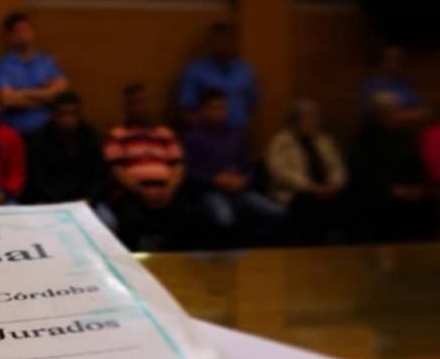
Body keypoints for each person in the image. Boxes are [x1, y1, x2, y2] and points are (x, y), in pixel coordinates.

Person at [100, 84, 197, 250]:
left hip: (166, 192)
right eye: (134, 103)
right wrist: (141, 191)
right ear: (126, 107)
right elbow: (117, 170)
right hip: (132, 193)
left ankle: (172, 260)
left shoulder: (165, 134)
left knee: (190, 215)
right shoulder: (117, 135)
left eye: (142, 102)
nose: (138, 107)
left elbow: (178, 165)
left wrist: (169, 189)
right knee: (130, 218)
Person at [183, 88, 284, 244]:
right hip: (209, 192)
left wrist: (243, 180)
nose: (218, 112)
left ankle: (257, 253)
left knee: (275, 212)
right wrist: (214, 179)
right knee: (225, 217)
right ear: (202, 110)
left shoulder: (236, 135)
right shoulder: (192, 137)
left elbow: (248, 166)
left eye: (222, 108)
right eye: (213, 108)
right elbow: (188, 172)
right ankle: (227, 258)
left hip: (239, 191)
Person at [348, 91, 439, 241]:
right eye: (390, 112)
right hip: (381, 192)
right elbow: (363, 170)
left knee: (431, 205)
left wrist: (417, 187)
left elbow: (416, 163)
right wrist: (392, 188)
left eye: (395, 111)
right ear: (378, 114)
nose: (395, 115)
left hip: (408, 190)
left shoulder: (404, 135)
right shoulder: (366, 136)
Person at [266, 99, 348, 243]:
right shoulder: (281, 142)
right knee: (310, 206)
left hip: (327, 189)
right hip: (297, 193)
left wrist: (334, 185)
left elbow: (336, 166)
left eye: (315, 118)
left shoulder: (324, 141)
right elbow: (279, 173)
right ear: (295, 121)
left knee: (347, 201)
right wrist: (310, 187)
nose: (313, 122)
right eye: (308, 118)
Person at [24, 91, 106, 204]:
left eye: (73, 114)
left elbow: (98, 177)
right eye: (63, 114)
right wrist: (59, 201)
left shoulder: (91, 137)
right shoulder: (39, 140)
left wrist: (89, 199)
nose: (68, 120)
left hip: (86, 201)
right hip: (49, 200)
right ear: (53, 116)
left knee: (106, 216)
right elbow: (37, 180)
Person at [0, 12, 69, 134]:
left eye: (26, 30)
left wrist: (22, 93)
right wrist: (45, 96)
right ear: (9, 36)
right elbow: (7, 100)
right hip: (16, 131)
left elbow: (60, 92)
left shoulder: (46, 61)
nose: (24, 35)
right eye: (18, 31)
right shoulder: (3, 65)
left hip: (47, 131)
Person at [177, 23, 258, 131]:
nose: (222, 45)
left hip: (239, 133)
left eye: (227, 41)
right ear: (211, 43)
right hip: (207, 134)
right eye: (219, 41)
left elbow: (252, 103)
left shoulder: (244, 70)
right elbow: (186, 108)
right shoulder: (195, 71)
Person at [358, 45, 424, 123]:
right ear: (382, 62)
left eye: (399, 60)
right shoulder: (371, 85)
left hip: (408, 127)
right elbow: (386, 118)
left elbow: (424, 111)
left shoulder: (405, 84)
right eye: (390, 60)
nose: (395, 64)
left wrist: (403, 115)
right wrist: (410, 115)